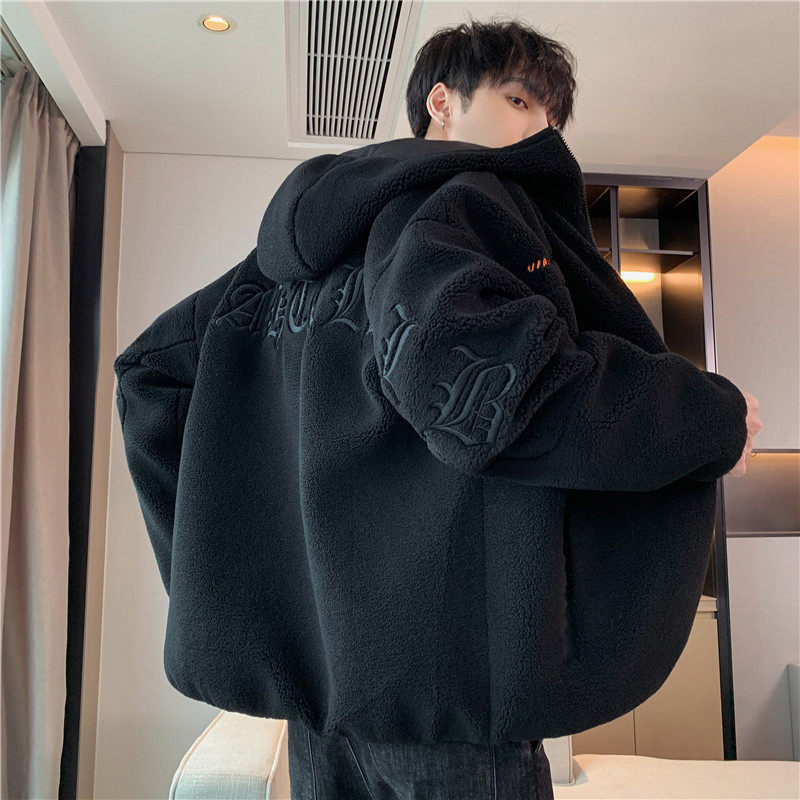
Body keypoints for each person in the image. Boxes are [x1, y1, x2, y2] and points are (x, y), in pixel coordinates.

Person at [113, 16, 762, 800]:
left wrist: (231, 586)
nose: (542, 132)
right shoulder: (466, 202)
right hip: (452, 708)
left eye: (552, 115)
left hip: (326, 715)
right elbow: (488, 390)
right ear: (442, 103)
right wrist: (711, 418)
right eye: (520, 100)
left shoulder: (280, 270)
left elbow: (151, 375)